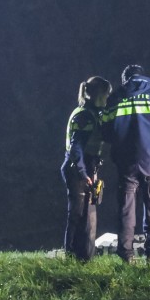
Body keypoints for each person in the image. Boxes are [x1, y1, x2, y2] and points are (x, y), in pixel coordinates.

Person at [105, 64, 150, 262]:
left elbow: (104, 129)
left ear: (125, 79)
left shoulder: (117, 96)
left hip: (126, 163)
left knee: (126, 209)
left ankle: (126, 255)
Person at [61, 76, 112, 260]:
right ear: (98, 95)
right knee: (77, 213)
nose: (107, 99)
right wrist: (83, 173)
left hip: (86, 168)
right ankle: (71, 255)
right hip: (78, 170)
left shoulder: (92, 113)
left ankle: (83, 256)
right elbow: (76, 148)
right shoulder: (84, 116)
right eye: (106, 95)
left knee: (87, 214)